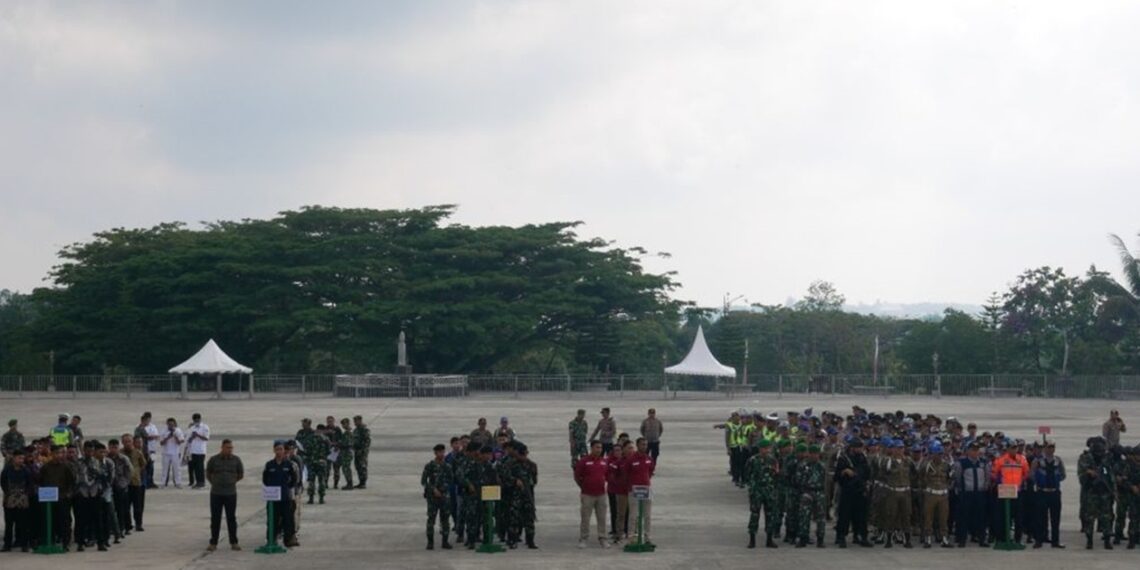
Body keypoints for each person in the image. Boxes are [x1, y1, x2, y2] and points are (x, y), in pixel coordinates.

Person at [206, 438, 244, 551]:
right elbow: (208, 473)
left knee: (231, 518)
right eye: (228, 448)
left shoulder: (236, 460)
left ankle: (234, 542)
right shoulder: (214, 460)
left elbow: (240, 474)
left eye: (231, 448)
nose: (230, 450)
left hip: (230, 493)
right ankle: (213, 542)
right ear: (222, 448)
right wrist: (216, 482)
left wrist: (231, 481)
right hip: (216, 493)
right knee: (215, 518)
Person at [1078, 437, 1115, 549]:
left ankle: (1107, 539)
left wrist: (1112, 490)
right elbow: (1081, 475)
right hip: (1091, 491)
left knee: (1106, 517)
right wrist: (1089, 473)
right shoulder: (1085, 459)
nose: (1100, 454)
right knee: (1090, 517)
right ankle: (1089, 540)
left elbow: (1111, 475)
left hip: (1104, 492)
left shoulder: (1107, 459)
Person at [37, 445, 76, 550]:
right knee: (50, 521)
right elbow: (39, 481)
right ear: (52, 454)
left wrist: (69, 494)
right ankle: (51, 542)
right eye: (56, 453)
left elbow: (72, 482)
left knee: (65, 521)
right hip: (49, 498)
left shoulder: (66, 467)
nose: (59, 455)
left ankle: (65, 543)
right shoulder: (45, 467)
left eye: (60, 453)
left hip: (63, 498)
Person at [744, 439, 781, 548]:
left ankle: (769, 539)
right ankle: (752, 539)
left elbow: (776, 474)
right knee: (755, 514)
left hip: (769, 490)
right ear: (760, 449)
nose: (766, 450)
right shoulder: (753, 460)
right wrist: (752, 487)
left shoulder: (773, 460)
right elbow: (747, 474)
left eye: (768, 448)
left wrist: (774, 488)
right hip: (757, 491)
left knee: (770, 515)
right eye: (764, 448)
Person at [834, 438, 870, 548]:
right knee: (844, 515)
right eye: (857, 447)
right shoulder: (844, 459)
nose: (859, 450)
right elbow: (837, 476)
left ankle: (861, 536)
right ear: (852, 448)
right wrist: (844, 471)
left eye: (860, 447)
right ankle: (841, 537)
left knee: (861, 516)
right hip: (848, 490)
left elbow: (867, 473)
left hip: (860, 490)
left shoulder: (863, 458)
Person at [574, 440, 609, 549]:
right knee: (585, 518)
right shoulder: (584, 461)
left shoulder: (604, 461)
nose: (599, 450)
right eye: (597, 447)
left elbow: (606, 475)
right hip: (587, 494)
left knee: (602, 517)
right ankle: (583, 538)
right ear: (592, 448)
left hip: (601, 494)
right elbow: (577, 476)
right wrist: (583, 486)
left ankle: (602, 538)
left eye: (600, 448)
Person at [1031, 440, 1066, 548]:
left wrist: (1056, 480)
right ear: (1044, 448)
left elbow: (1063, 474)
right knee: (1040, 518)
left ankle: (1055, 541)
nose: (1050, 449)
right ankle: (1039, 540)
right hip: (1042, 492)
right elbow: (1032, 474)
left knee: (1055, 518)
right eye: (1048, 447)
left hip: (1054, 492)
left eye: (1052, 447)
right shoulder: (1038, 461)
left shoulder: (1058, 460)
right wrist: (1039, 482)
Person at [262, 441, 297, 548]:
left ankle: (288, 540)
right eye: (277, 449)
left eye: (281, 449)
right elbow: (265, 480)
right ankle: (271, 540)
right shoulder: (269, 465)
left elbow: (294, 480)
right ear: (274, 450)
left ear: (284, 451)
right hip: (273, 498)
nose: (279, 452)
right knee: (272, 520)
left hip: (285, 497)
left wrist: (286, 488)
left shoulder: (289, 465)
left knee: (288, 520)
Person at [421, 444, 452, 550]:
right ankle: (430, 542)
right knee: (431, 519)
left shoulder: (447, 466)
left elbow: (451, 480)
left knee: (445, 520)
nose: (441, 454)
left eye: (443, 452)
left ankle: (445, 541)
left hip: (444, 497)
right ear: (435, 453)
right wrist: (433, 489)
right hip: (432, 497)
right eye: (439, 452)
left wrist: (443, 490)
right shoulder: (429, 466)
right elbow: (424, 481)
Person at [625, 437, 656, 544]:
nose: (644, 446)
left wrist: (645, 481)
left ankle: (647, 537)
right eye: (642, 444)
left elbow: (651, 471)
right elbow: (626, 473)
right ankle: (631, 538)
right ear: (637, 446)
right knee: (633, 515)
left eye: (646, 444)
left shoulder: (649, 459)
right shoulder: (631, 459)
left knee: (647, 515)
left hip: (646, 489)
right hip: (633, 490)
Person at [1, 449, 32, 552]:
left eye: (22, 458)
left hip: (22, 500)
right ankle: (7, 545)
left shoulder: (26, 470)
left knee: (23, 524)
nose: (21, 460)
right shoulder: (7, 470)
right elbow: (3, 483)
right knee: (9, 524)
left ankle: (24, 545)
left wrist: (24, 495)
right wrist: (9, 494)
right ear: (14, 458)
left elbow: (29, 484)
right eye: (19, 458)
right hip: (10, 499)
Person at [106, 439, 132, 541]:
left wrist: (124, 484)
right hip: (109, 487)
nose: (113, 450)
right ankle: (111, 529)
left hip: (120, 487)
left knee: (121, 510)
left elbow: (129, 472)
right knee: (110, 511)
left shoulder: (123, 459)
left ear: (118, 447)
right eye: (111, 447)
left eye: (115, 447)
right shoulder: (106, 459)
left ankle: (121, 529)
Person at [121, 435, 147, 533]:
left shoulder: (138, 452)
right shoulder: (120, 453)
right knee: (126, 506)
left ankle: (138, 524)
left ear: (132, 442)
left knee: (138, 505)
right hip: (124, 483)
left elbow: (143, 464)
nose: (127, 443)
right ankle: (127, 525)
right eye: (125, 441)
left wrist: (137, 472)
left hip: (136, 482)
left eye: (129, 441)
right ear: (122, 442)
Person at [133, 412, 159, 489]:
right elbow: (147, 437)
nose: (148, 422)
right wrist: (153, 437)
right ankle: (145, 483)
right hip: (143, 450)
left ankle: (150, 482)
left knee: (150, 467)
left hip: (150, 449)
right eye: (146, 420)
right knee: (145, 467)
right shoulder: (139, 428)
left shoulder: (152, 426)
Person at [187, 413, 210, 490]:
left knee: (200, 467)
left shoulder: (205, 427)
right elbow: (188, 440)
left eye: (197, 419)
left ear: (200, 419)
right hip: (193, 450)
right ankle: (197, 482)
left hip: (201, 450)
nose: (196, 421)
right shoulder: (192, 427)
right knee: (195, 467)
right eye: (195, 420)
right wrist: (192, 437)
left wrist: (198, 435)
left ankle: (201, 482)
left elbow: (206, 438)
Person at [159, 418, 185, 488]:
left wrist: (175, 436)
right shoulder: (163, 431)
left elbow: (181, 441)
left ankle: (178, 483)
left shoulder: (178, 430)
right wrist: (168, 437)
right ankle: (163, 483)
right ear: (167, 424)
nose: (171, 426)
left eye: (172, 425)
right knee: (165, 469)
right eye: (169, 425)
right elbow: (161, 443)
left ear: (174, 424)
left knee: (177, 469)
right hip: (165, 453)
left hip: (175, 453)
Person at [336, 417, 355, 491]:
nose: (343, 426)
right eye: (342, 424)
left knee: (346, 468)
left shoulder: (348, 433)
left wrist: (339, 444)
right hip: (345, 452)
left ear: (347, 423)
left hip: (347, 453)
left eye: (344, 424)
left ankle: (350, 483)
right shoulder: (346, 433)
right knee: (345, 468)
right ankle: (349, 483)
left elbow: (347, 443)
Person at [353, 415, 371, 490]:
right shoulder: (356, 430)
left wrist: (363, 450)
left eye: (356, 421)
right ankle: (360, 482)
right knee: (358, 466)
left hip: (362, 452)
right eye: (354, 421)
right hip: (356, 451)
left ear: (360, 420)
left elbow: (367, 441)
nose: (355, 422)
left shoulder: (364, 429)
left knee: (362, 466)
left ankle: (363, 482)